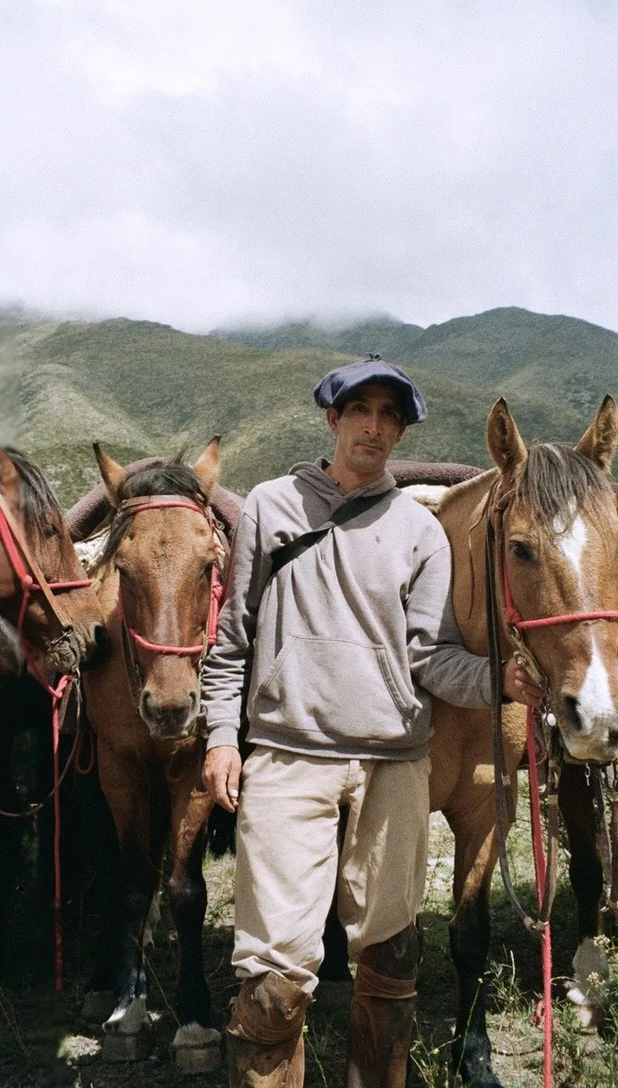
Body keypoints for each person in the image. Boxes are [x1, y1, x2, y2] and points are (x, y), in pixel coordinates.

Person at [201, 355, 541, 1088]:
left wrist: (500, 681)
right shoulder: (271, 505)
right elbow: (232, 638)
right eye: (363, 411)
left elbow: (430, 657)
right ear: (333, 418)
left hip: (393, 766)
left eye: (392, 416)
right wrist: (223, 739)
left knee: (389, 961)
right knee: (273, 974)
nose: (377, 428)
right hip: (289, 758)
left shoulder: (417, 533)